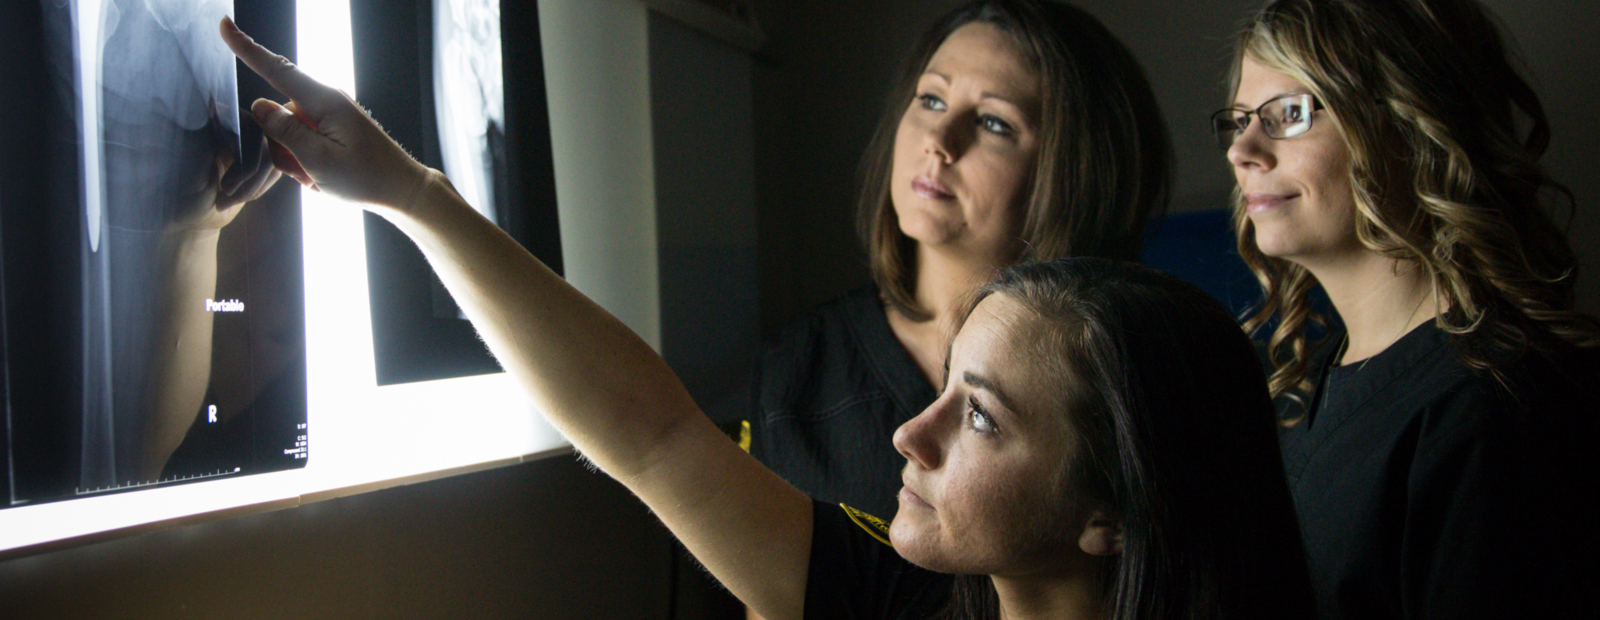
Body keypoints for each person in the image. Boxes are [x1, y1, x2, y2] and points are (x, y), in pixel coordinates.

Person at [218, 18, 1310, 620]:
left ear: (1110, 507)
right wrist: (410, 192)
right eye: (930, 101)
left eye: (976, 415)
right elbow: (652, 435)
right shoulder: (898, 600)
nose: (904, 432)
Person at [1214, 0, 1600, 617]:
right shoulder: (1319, 381)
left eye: (1287, 114)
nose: (1243, 150)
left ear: (1406, 123)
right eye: (1237, 121)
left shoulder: (1493, 410)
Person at [732, 0, 1172, 523]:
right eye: (932, 100)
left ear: (1077, 176)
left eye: (993, 122)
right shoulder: (795, 368)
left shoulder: (1132, 379)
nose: (939, 141)